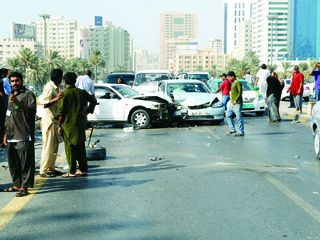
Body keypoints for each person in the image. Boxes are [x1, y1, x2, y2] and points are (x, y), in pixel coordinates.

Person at [3, 72, 36, 197]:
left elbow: (31, 111)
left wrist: (17, 101)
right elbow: (8, 114)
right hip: (11, 135)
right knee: (13, 163)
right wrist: (6, 133)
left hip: (23, 133)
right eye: (12, 81)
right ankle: (17, 184)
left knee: (25, 163)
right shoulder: (11, 95)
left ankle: (25, 187)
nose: (14, 83)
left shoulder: (28, 94)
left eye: (17, 80)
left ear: (21, 81)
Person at [58, 72, 97, 177]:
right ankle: (83, 169)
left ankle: (72, 171)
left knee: (70, 148)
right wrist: (87, 111)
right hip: (80, 123)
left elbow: (61, 112)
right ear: (75, 81)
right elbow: (93, 100)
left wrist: (59, 125)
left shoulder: (64, 94)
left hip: (68, 125)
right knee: (80, 148)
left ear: (65, 81)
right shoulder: (82, 92)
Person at [39, 69, 64, 178]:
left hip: (54, 120)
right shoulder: (49, 87)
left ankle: (51, 168)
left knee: (54, 147)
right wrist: (57, 98)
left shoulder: (56, 87)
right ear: (59, 77)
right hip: (48, 121)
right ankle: (43, 170)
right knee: (48, 147)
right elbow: (44, 103)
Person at [226, 71, 244, 137]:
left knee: (239, 117)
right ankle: (232, 129)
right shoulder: (233, 83)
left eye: (229, 77)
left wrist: (235, 100)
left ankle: (241, 132)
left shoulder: (237, 82)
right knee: (228, 115)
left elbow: (240, 92)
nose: (228, 79)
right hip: (232, 103)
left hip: (237, 103)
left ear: (233, 76)